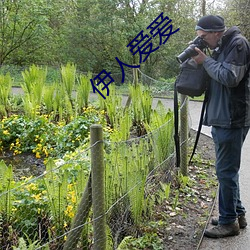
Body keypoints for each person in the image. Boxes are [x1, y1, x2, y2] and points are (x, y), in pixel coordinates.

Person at [192, 15, 250, 238]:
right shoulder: (221, 46)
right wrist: (202, 60)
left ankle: (228, 223)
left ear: (216, 32)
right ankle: (237, 214)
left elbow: (229, 77)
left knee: (225, 171)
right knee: (227, 171)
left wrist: (205, 61)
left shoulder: (238, 44)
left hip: (232, 118)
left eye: (204, 37)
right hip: (222, 117)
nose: (203, 41)